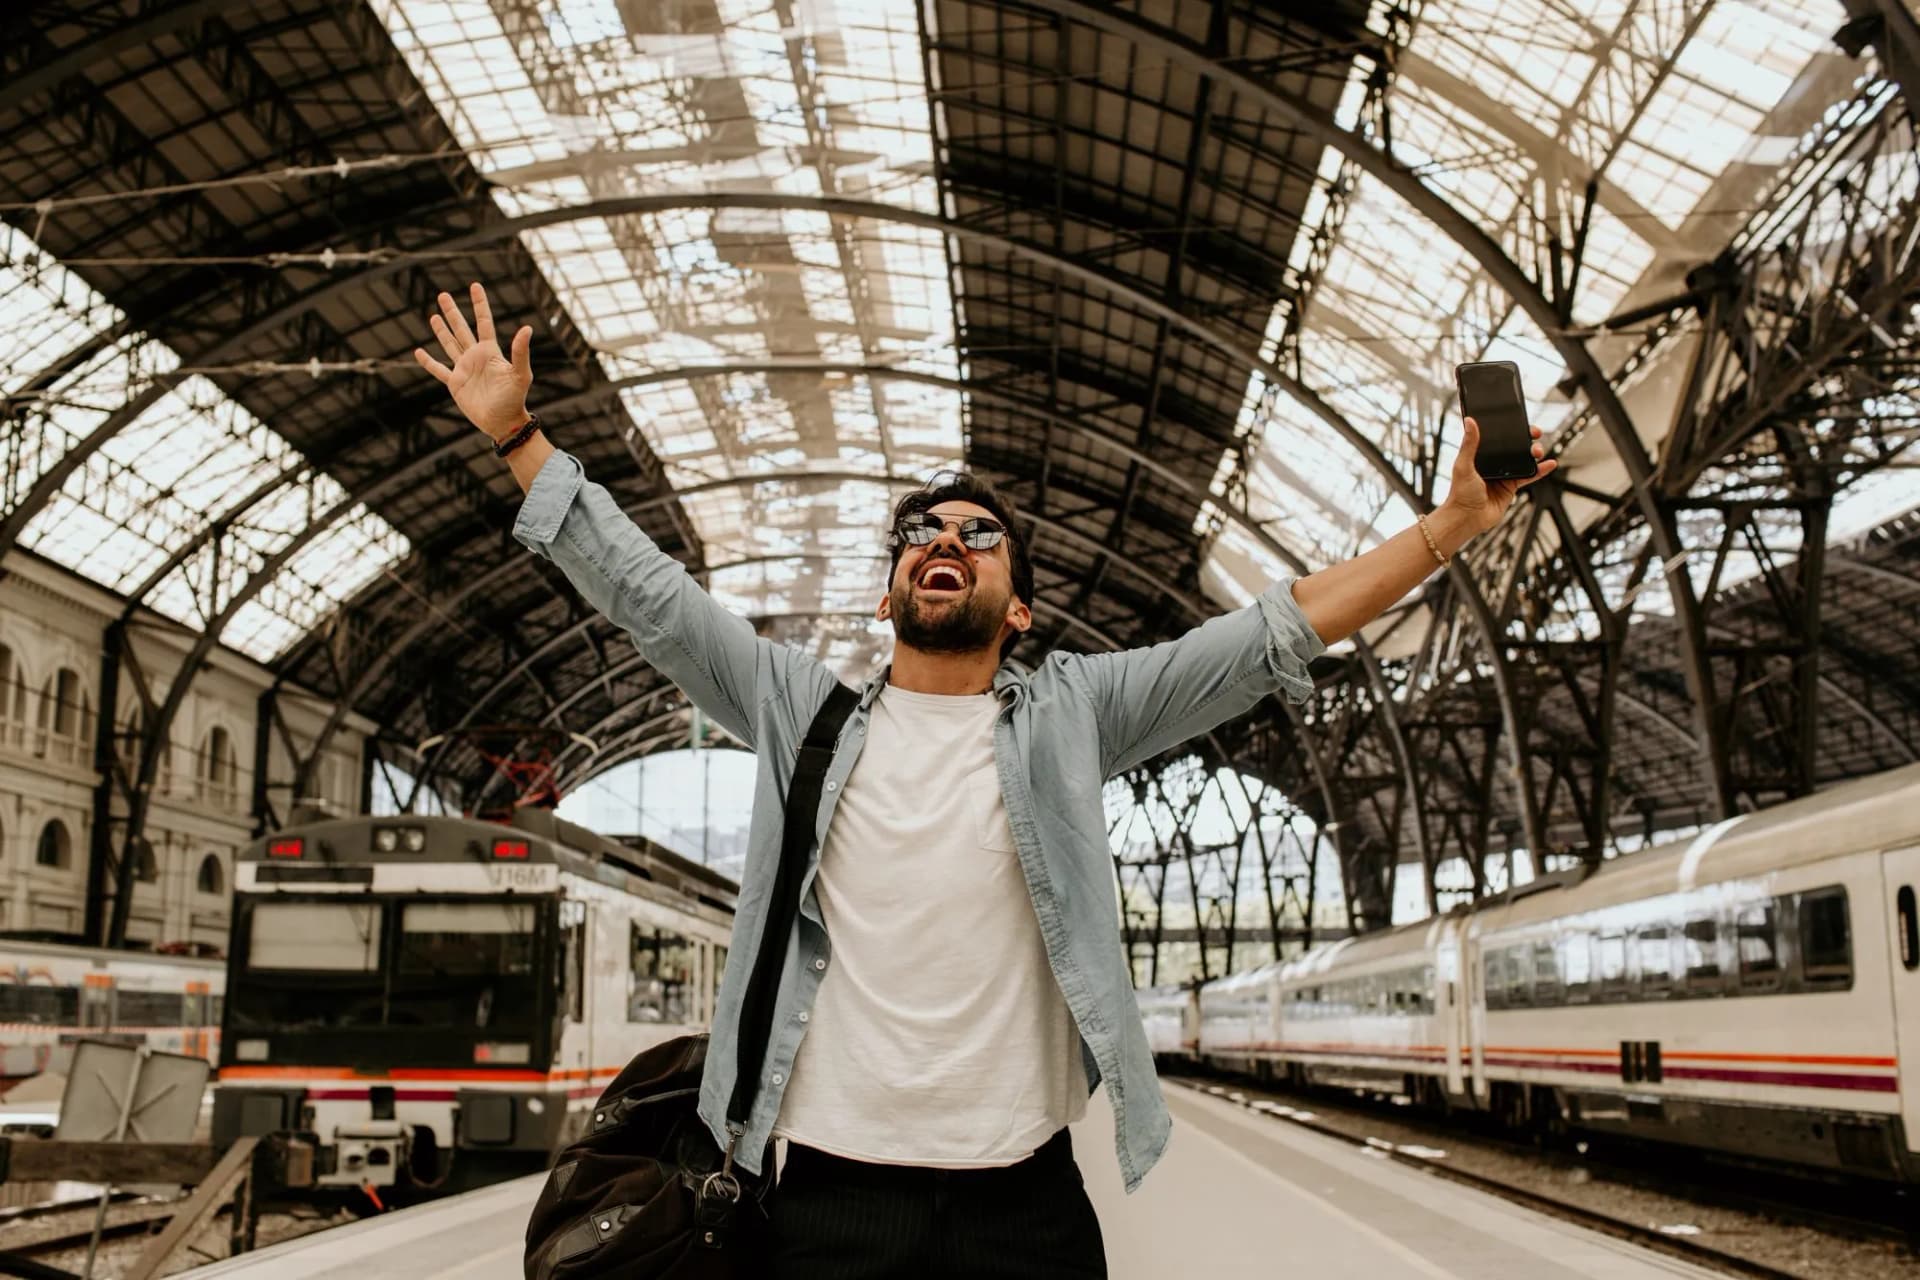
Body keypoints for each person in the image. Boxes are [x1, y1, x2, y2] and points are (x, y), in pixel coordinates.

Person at [415, 282, 1551, 1278]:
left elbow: (1269, 634)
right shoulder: (797, 708)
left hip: (1025, 1201)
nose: (941, 535)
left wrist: (1452, 523)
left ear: (1017, 606)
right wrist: (520, 439)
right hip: (824, 1199)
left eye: (978, 530)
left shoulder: (1078, 713)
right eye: (918, 529)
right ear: (890, 589)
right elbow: (650, 595)